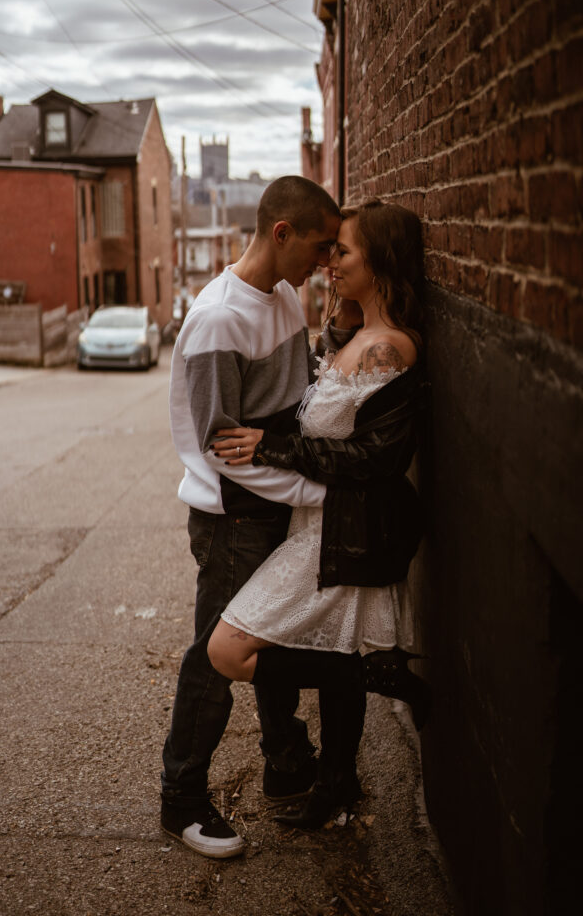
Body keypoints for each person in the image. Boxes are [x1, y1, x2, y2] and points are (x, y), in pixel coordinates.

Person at [207, 198, 429, 829]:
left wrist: (271, 445)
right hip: (318, 523)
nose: (331, 263)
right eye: (330, 251)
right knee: (337, 661)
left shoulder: (389, 350)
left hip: (341, 529)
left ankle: (367, 671)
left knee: (227, 649)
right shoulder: (357, 336)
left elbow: (373, 457)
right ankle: (337, 784)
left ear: (381, 262)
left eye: (345, 251)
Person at [161, 175, 343, 858]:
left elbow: (295, 399)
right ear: (281, 233)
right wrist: (316, 494)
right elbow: (223, 447)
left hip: (274, 506)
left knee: (270, 641)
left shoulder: (287, 295)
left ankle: (286, 769)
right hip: (234, 517)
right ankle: (179, 800)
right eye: (320, 246)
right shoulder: (217, 319)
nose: (324, 262)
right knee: (215, 658)